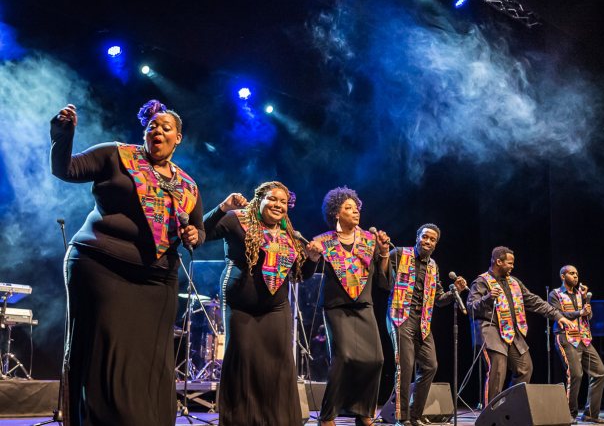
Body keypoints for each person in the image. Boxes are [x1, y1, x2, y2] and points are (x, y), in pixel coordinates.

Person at [50, 100, 204, 425]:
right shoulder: (116, 155)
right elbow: (66, 170)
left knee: (149, 358)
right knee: (106, 353)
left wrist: (195, 235)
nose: (157, 130)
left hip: (156, 280)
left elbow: (199, 229)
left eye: (166, 127)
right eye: (152, 126)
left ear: (178, 138)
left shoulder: (188, 185)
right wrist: (62, 137)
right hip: (101, 266)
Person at [202, 181, 308, 425]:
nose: (278, 205)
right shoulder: (236, 220)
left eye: (283, 202)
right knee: (243, 361)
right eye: (272, 199)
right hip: (241, 305)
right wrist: (222, 207)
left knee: (279, 363)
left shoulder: (290, 235)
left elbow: (301, 275)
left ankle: (278, 420)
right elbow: (201, 233)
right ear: (259, 199)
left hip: (276, 307)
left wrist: (311, 258)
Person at [304, 186, 391, 426]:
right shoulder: (323, 241)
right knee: (344, 358)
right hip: (337, 307)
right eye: (348, 208)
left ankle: (363, 412)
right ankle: (327, 415)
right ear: (336, 213)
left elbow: (383, 281)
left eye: (356, 208)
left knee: (376, 359)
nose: (355, 212)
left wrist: (384, 253)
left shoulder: (370, 240)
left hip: (364, 306)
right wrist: (312, 256)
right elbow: (305, 273)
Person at [380, 223, 467, 426]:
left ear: (436, 244)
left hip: (423, 322)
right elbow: (383, 279)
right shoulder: (399, 254)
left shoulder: (433, 266)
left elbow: (439, 299)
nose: (428, 241)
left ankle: (415, 415)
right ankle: (401, 418)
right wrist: (383, 254)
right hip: (400, 315)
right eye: (425, 237)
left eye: (432, 239)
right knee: (405, 366)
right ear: (417, 237)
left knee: (430, 365)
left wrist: (455, 291)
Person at [467, 246, 572, 405]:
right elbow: (471, 307)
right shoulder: (481, 282)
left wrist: (558, 316)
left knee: (525, 368)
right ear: (498, 262)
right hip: (491, 331)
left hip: (511, 332)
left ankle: (509, 406)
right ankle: (491, 413)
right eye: (509, 263)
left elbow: (534, 301)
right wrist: (487, 298)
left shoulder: (514, 282)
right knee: (498, 370)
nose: (512, 266)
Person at [548, 265, 604, 424]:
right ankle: (568, 414)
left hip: (583, 338)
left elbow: (588, 316)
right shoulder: (555, 294)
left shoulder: (580, 294)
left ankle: (591, 413)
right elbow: (557, 314)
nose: (576, 276)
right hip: (566, 337)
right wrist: (579, 312)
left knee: (600, 373)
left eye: (576, 274)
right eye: (572, 273)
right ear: (563, 276)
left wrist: (586, 303)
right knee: (575, 374)